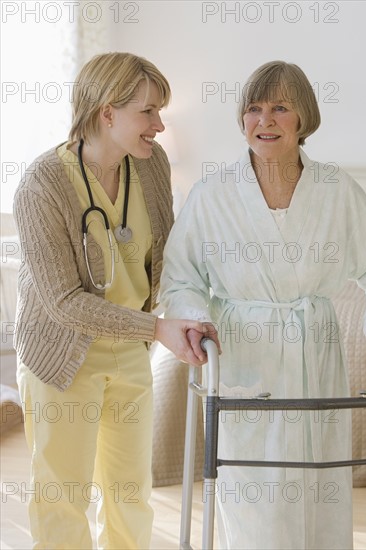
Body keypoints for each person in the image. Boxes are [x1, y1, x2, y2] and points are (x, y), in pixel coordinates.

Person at [160, 60, 366, 549]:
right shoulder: (212, 193)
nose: (264, 120)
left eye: (280, 108)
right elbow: (182, 275)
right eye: (254, 108)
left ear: (304, 119)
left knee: (319, 481)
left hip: (315, 351)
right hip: (243, 354)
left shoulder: (336, 190)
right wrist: (195, 321)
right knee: (254, 490)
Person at [13, 52, 212, 549]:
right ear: (107, 112)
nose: (160, 125)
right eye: (148, 112)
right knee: (63, 495)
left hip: (129, 352)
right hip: (61, 356)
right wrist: (157, 329)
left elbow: (165, 255)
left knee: (129, 494)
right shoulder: (42, 185)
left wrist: (189, 311)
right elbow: (63, 300)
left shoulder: (150, 167)